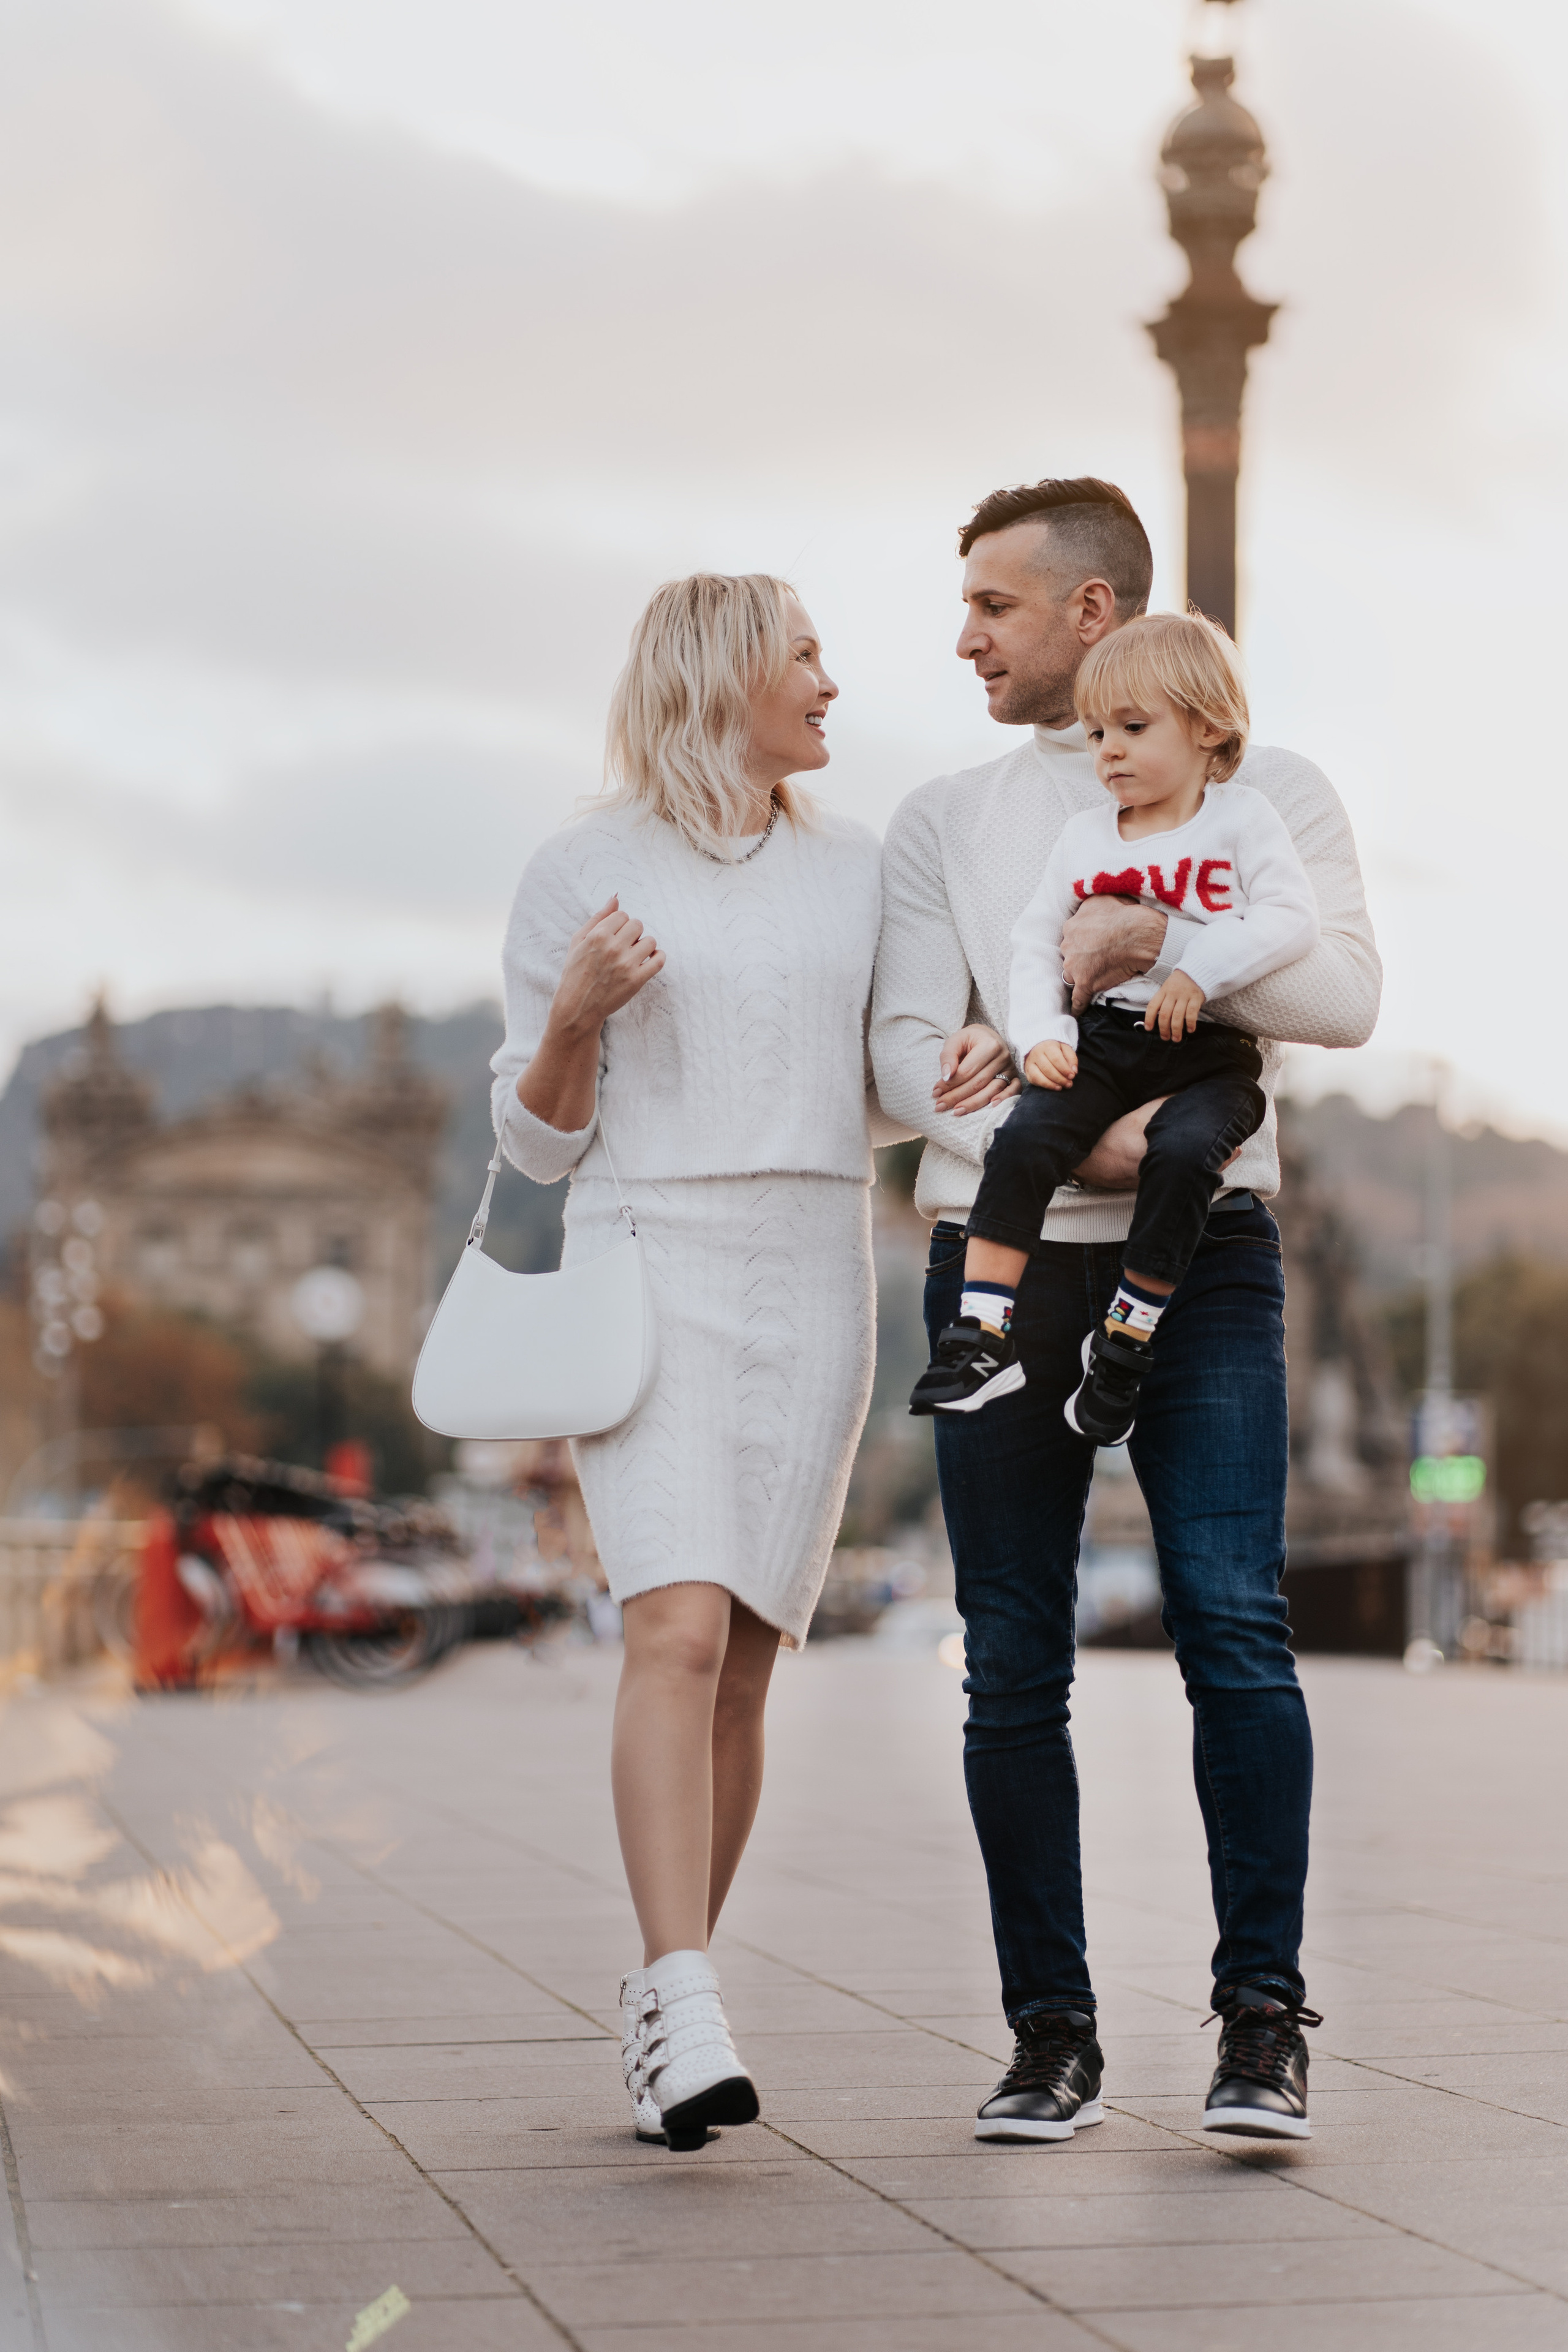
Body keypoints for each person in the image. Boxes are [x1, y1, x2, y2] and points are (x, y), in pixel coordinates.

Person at [871, 478, 1379, 2143]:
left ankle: (1261, 2022)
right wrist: (1068, 1114)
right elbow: (899, 1053)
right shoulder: (946, 818)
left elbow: (1349, 995)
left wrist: (1154, 935)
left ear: (1092, 614)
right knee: (1009, 1654)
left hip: (1207, 1247)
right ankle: (1051, 2036)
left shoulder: (1270, 787)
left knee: (1233, 1619)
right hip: (1000, 1259)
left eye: (994, 608)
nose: (966, 638)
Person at [489, 573, 941, 2153]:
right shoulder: (580, 869)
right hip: (648, 1249)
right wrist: (572, 1014)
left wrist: (951, 1068)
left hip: (812, 1258)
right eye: (804, 655)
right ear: (721, 675)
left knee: (747, 1661)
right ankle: (684, 2005)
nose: (831, 681)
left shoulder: (861, 869)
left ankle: (663, 1991)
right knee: (670, 1631)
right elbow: (533, 1136)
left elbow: (875, 1086)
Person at [909, 611, 1319, 1444]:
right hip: (1104, 1039)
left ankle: (1127, 1338)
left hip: (1210, 1057)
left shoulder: (1243, 821)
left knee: (1184, 1155)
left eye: (1134, 728)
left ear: (1209, 728)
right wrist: (1041, 1035)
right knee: (1026, 1135)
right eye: (1098, 733)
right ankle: (982, 1331)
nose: (1110, 752)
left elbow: (1291, 920)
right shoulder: (1085, 836)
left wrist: (1195, 965)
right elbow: (1036, 942)